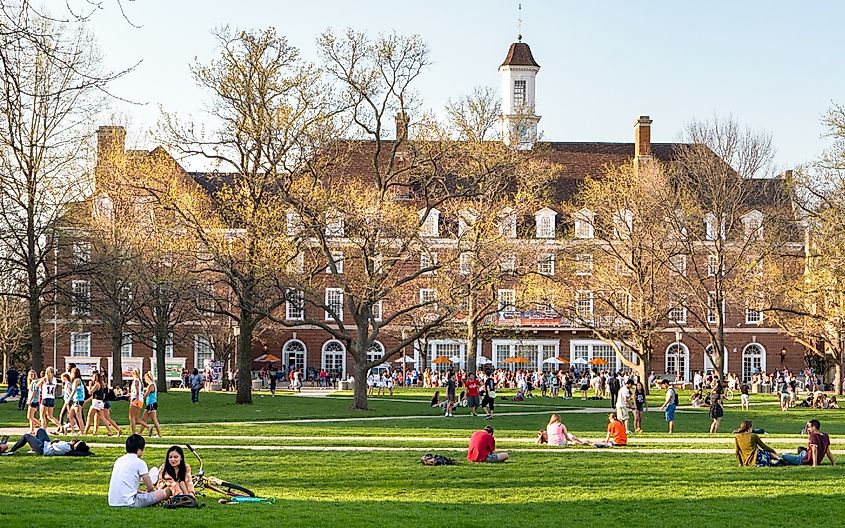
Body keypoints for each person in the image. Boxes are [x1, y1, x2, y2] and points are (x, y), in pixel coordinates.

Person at [108, 434, 172, 507]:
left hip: (112, 502)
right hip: (130, 502)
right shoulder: (140, 462)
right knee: (166, 491)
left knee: (143, 494)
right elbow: (150, 487)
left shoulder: (119, 460)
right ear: (139, 449)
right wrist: (151, 495)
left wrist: (141, 492)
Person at [0, 427, 90, 456]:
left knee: (26, 436)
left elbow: (53, 444)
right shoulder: (68, 446)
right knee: (40, 430)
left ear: (75, 445)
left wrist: (55, 440)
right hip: (45, 444)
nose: (73, 440)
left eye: (75, 441)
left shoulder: (65, 447)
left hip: (43, 448)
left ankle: (12, 450)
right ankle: (33, 448)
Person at [138, 372, 162, 437]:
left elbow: (146, 395)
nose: (145, 380)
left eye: (145, 379)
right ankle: (140, 433)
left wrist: (139, 397)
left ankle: (159, 434)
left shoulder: (151, 385)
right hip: (149, 404)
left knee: (154, 419)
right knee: (144, 419)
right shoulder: (152, 385)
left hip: (152, 404)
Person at [128, 369, 144, 434]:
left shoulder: (136, 381)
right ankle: (148, 427)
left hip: (136, 400)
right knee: (137, 418)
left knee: (132, 417)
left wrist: (136, 400)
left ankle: (134, 432)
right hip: (140, 400)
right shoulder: (140, 381)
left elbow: (137, 392)